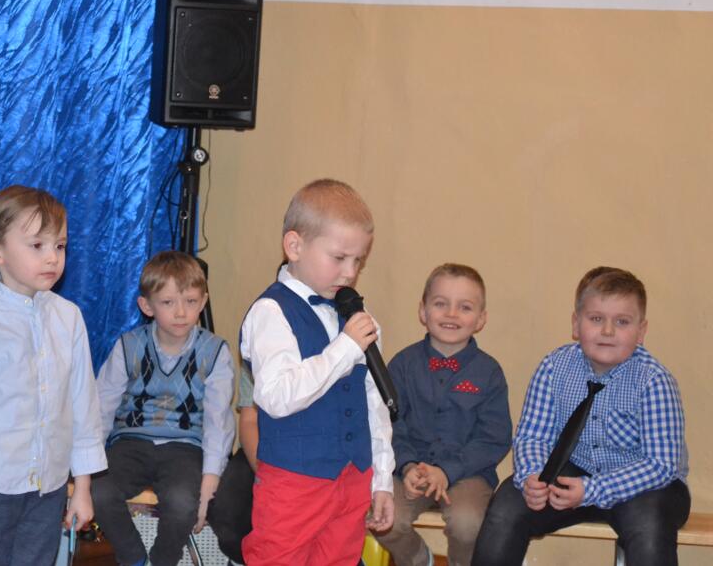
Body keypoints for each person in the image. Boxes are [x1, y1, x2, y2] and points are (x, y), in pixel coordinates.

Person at [471, 267, 690, 566]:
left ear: (641, 332)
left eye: (622, 322)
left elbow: (661, 465)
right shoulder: (554, 367)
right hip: (573, 473)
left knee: (649, 526)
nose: (608, 331)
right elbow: (533, 436)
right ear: (576, 324)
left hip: (647, 486)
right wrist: (532, 477)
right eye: (596, 319)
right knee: (506, 507)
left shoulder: (654, 380)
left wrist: (592, 490)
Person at [0, 186, 107, 565]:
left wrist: (82, 487)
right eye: (37, 245)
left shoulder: (69, 318)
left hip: (49, 487)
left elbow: (83, 406)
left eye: (59, 246)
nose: (52, 257)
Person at [239, 178, 395, 565]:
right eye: (339, 258)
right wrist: (344, 349)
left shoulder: (355, 315)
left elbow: (374, 405)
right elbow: (276, 396)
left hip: (353, 476)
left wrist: (382, 478)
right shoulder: (271, 312)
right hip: (294, 481)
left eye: (358, 261)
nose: (350, 272)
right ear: (294, 246)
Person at [92, 251, 235, 566]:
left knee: (182, 501)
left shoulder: (215, 352)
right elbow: (101, 408)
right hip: (131, 442)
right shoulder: (128, 345)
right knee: (99, 491)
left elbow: (218, 422)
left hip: (185, 447)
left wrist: (209, 484)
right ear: (147, 306)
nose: (181, 312)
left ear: (203, 301)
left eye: (191, 301)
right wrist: (88, 461)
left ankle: (162, 561)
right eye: (168, 302)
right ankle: (134, 558)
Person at [376, 264, 512, 566]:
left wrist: (448, 471)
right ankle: (418, 558)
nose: (451, 314)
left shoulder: (489, 372)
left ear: (481, 319)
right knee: (384, 517)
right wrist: (407, 465)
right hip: (409, 469)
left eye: (465, 307)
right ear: (423, 311)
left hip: (468, 473)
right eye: (440, 303)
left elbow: (494, 438)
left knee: (468, 523)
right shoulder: (402, 365)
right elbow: (389, 424)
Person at [205, 361, 258, 564]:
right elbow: (249, 421)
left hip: (316, 457)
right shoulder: (256, 349)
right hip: (261, 449)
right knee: (229, 514)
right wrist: (267, 473)